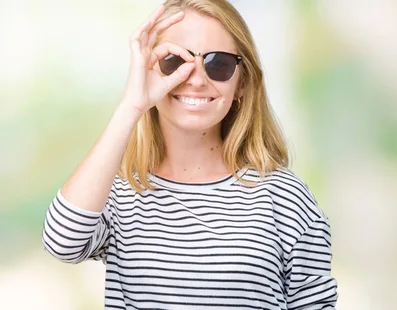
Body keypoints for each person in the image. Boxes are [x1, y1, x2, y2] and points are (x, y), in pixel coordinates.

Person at [41, 0, 338, 308]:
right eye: (175, 61)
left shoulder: (284, 197)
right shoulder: (117, 194)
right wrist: (131, 106)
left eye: (218, 63)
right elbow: (62, 242)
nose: (196, 80)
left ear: (242, 84)